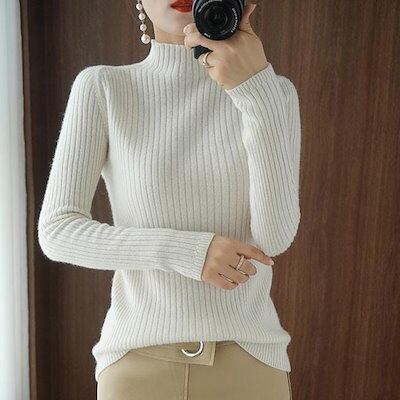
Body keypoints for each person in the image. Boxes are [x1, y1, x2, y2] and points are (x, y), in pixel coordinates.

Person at [37, 0, 300, 398]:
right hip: (136, 364)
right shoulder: (104, 87)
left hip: (249, 360)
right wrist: (189, 252)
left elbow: (274, 237)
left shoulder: (273, 93)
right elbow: (58, 231)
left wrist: (255, 90)